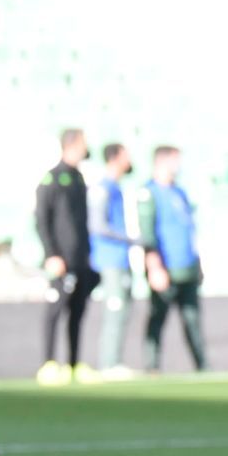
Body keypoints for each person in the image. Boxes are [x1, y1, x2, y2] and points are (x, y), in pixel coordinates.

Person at [34, 128, 99, 386]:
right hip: (61, 259)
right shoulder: (52, 179)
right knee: (55, 310)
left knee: (77, 313)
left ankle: (73, 363)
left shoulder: (79, 179)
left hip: (81, 257)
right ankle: (49, 363)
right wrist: (52, 254)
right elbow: (41, 220)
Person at [139, 145, 207, 373]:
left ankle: (203, 368)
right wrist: (154, 267)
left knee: (193, 321)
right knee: (158, 320)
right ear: (162, 161)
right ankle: (152, 368)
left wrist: (198, 264)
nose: (179, 166)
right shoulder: (149, 193)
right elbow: (147, 234)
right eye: (175, 161)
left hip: (186, 268)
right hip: (165, 269)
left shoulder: (180, 193)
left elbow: (190, 230)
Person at [91, 143, 137, 377]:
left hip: (121, 259)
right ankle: (108, 364)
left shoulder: (116, 188)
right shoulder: (103, 188)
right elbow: (98, 226)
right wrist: (130, 238)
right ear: (116, 158)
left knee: (123, 311)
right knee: (114, 310)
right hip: (110, 259)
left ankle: (114, 361)